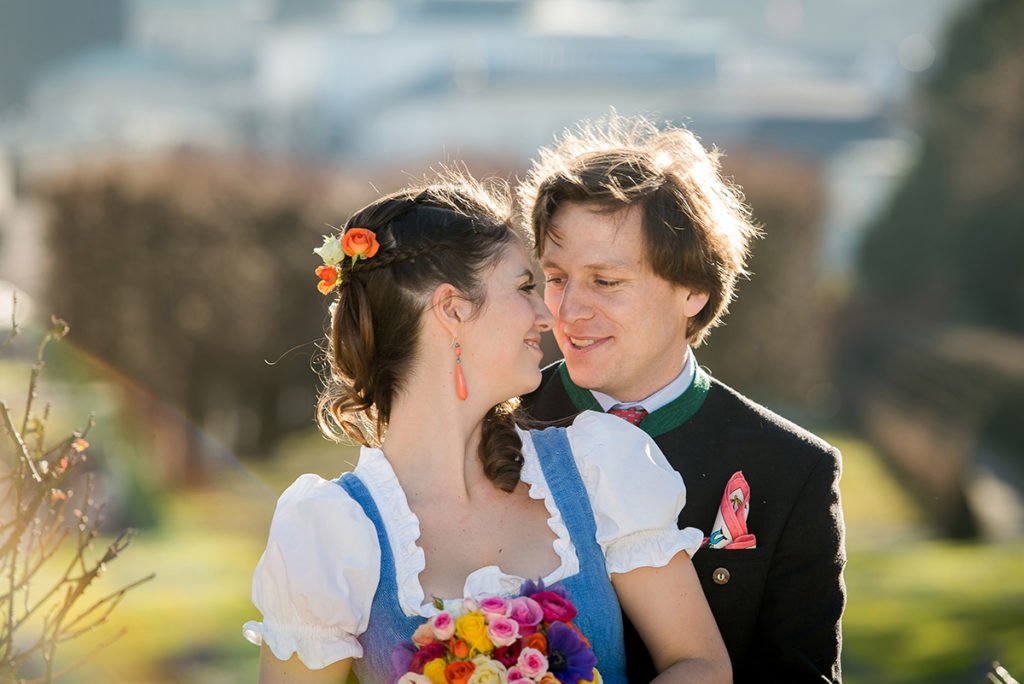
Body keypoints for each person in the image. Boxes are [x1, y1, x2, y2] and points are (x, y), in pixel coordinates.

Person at [242, 172, 731, 683]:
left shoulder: (597, 468)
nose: (548, 314)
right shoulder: (331, 534)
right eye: (525, 287)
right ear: (453, 309)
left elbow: (701, 664)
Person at [519, 114, 846, 683]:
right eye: (555, 277)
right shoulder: (495, 427)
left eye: (606, 281)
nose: (567, 310)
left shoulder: (793, 471)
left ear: (694, 289)